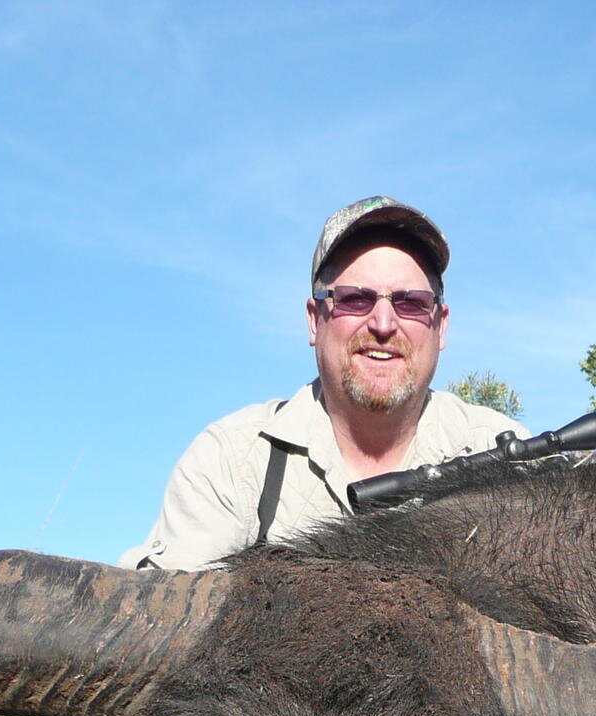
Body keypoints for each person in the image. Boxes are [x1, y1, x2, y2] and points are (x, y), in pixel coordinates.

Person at [123, 197, 523, 571]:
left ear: (441, 325)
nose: (384, 325)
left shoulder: (507, 454)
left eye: (410, 303)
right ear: (315, 320)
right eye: (355, 299)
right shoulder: (230, 462)